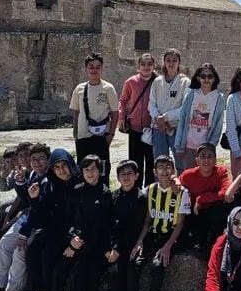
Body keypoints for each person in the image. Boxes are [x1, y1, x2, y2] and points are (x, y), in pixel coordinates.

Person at [115, 155, 190, 291]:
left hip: (170, 237)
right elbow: (148, 220)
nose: (164, 171)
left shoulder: (182, 192)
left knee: (157, 266)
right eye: (160, 167)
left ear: (173, 170)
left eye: (168, 167)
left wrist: (167, 247)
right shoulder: (149, 190)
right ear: (154, 172)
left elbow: (180, 224)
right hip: (151, 236)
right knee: (133, 263)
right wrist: (139, 241)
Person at [42, 155, 115, 291]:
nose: (90, 173)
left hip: (96, 246)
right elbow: (70, 220)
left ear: (100, 171)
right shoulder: (77, 190)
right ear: (81, 172)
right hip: (77, 243)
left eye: (93, 169)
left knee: (84, 271)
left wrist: (77, 245)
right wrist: (71, 238)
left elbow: (100, 227)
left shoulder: (105, 193)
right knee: (59, 270)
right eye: (86, 169)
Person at [18, 148, 78, 291]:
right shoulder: (50, 184)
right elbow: (42, 213)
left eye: (64, 166)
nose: (61, 170)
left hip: (71, 235)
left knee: (48, 257)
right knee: (33, 250)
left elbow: (81, 217)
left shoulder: (79, 185)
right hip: (53, 231)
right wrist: (35, 199)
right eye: (57, 167)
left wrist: (71, 237)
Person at [0, 144, 51, 291]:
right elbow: (28, 201)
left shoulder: (49, 179)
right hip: (29, 219)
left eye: (40, 159)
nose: (35, 162)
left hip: (38, 224)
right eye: (33, 159)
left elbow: (37, 209)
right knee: (4, 243)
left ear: (48, 160)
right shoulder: (31, 174)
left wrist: (23, 231)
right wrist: (20, 182)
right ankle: (0, 286)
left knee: (19, 251)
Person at [103, 160, 148, 291]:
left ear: (137, 176)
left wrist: (118, 249)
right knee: (113, 270)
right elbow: (108, 224)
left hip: (134, 243)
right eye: (122, 174)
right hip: (116, 244)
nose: (126, 177)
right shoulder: (114, 197)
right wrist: (109, 248)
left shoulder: (140, 198)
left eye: (130, 173)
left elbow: (134, 228)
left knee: (129, 269)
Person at [70, 52, 119, 183]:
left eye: (98, 67)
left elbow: (115, 112)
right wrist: (75, 132)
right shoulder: (79, 89)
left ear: (102, 68)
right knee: (83, 171)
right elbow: (76, 111)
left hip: (101, 137)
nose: (94, 70)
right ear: (86, 69)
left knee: (101, 171)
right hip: (83, 136)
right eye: (91, 66)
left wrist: (111, 134)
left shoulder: (108, 88)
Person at [178, 143, 232, 251]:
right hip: (194, 213)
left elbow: (226, 192)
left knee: (220, 206)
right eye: (202, 156)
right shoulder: (188, 175)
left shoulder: (221, 171)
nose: (206, 160)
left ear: (215, 160)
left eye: (210, 156)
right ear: (197, 160)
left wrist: (202, 198)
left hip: (213, 212)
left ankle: (217, 243)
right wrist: (177, 182)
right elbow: (176, 184)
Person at [174, 64, 226, 171]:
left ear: (214, 78)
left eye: (210, 76)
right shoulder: (191, 94)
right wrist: (179, 145)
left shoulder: (219, 98)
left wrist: (211, 145)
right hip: (188, 145)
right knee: (188, 176)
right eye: (203, 76)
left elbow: (218, 125)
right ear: (198, 78)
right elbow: (183, 119)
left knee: (204, 176)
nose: (206, 79)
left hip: (205, 147)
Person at [118, 53, 157, 187]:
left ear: (154, 66)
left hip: (151, 129)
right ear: (138, 66)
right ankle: (136, 191)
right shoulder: (131, 82)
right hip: (134, 129)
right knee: (135, 163)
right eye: (143, 64)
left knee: (151, 162)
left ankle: (150, 190)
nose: (146, 67)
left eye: (149, 64)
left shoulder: (158, 82)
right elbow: (123, 100)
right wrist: (121, 117)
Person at [149, 49, 191, 171]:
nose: (171, 63)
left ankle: (180, 187)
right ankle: (162, 188)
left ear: (179, 63)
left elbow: (185, 107)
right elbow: (151, 103)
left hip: (176, 128)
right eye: (168, 60)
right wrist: (157, 118)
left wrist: (166, 117)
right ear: (164, 62)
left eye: (174, 60)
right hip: (159, 128)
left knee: (180, 162)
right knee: (160, 163)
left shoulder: (185, 82)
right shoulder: (157, 81)